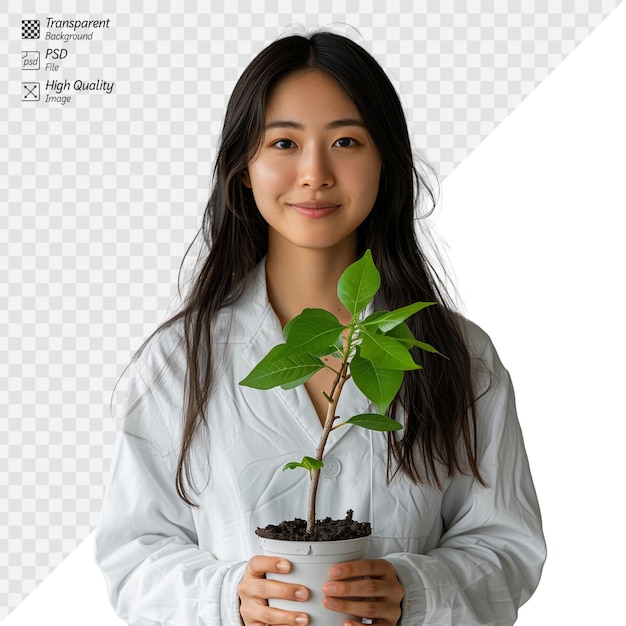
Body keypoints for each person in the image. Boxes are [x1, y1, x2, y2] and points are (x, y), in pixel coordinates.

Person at [95, 30, 546, 626]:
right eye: (284, 142)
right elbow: (133, 554)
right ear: (243, 168)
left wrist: (415, 590)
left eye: (346, 141)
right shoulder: (179, 361)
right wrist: (229, 598)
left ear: (386, 160)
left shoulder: (460, 356)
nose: (315, 172)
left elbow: (507, 547)